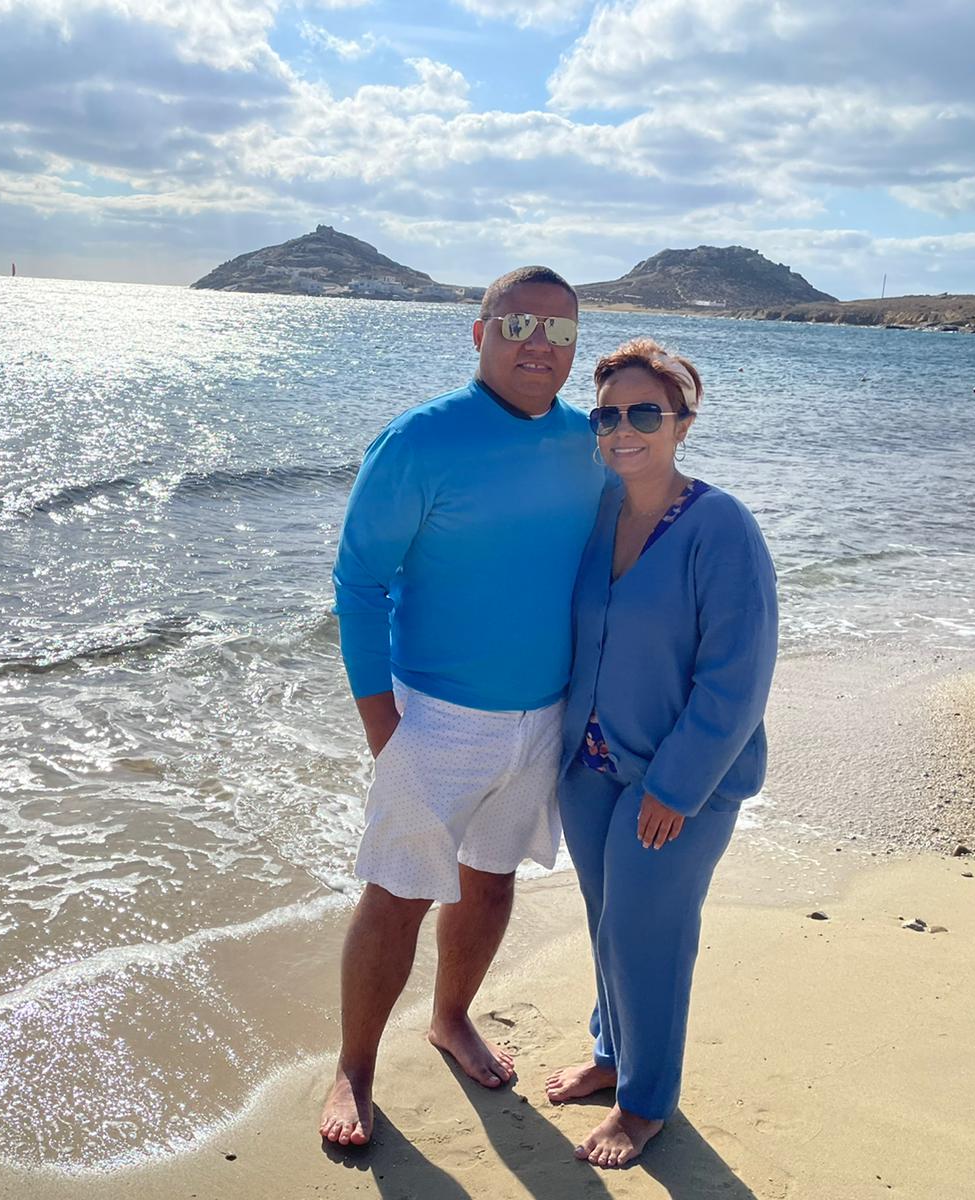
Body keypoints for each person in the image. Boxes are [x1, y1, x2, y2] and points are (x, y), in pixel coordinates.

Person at [321, 266, 606, 1146]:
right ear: (477, 333)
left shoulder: (589, 442)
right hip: (435, 715)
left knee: (490, 883)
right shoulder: (419, 441)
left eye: (560, 332)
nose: (539, 345)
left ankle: (451, 1018)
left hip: (544, 715)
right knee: (398, 895)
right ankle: (354, 1069)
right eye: (519, 324)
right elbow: (358, 582)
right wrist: (383, 727)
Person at [543, 337, 778, 1167]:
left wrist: (675, 788)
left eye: (645, 412)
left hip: (681, 781)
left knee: (649, 931)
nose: (622, 429)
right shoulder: (598, 509)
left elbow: (737, 677)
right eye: (607, 415)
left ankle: (645, 1104)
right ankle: (613, 1057)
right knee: (608, 925)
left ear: (681, 422)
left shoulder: (720, 525)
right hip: (591, 768)